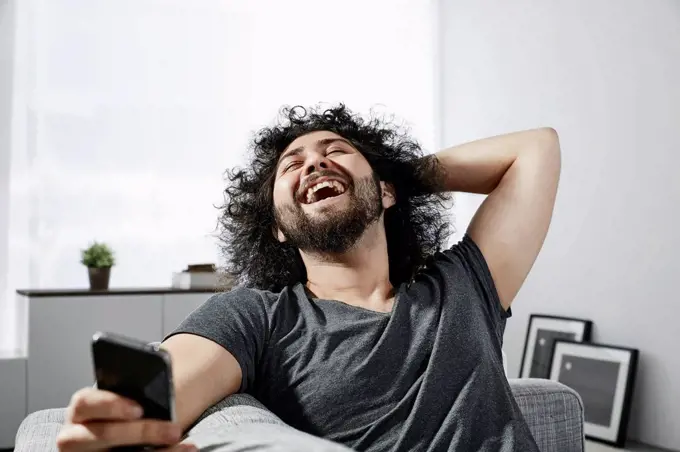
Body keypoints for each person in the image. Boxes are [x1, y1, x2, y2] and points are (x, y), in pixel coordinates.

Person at [56, 104, 561, 452]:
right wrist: (122, 425)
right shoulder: (258, 314)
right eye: (290, 166)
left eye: (336, 151)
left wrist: (395, 175)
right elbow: (163, 393)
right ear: (277, 227)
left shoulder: (462, 283)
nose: (314, 162)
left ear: (386, 195)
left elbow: (537, 149)